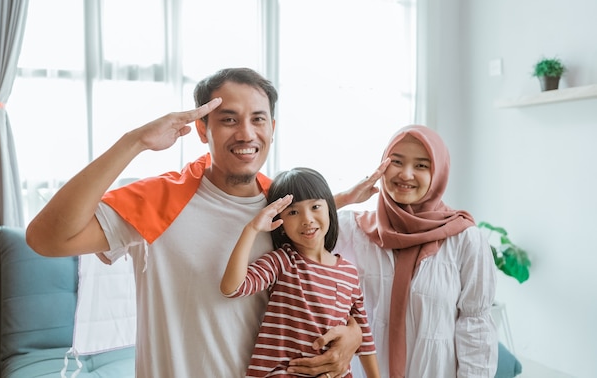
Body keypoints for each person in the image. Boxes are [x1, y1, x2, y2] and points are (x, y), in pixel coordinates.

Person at [26, 68, 361, 378]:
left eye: (257, 119)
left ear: (272, 128)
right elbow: (47, 238)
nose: (246, 133)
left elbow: (323, 286)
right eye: (229, 119)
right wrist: (135, 142)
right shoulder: (161, 198)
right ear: (203, 129)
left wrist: (353, 334)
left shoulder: (286, 211)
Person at [334, 125, 498, 378]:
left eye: (421, 166)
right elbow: (283, 229)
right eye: (396, 162)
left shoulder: (465, 240)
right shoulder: (350, 230)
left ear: (439, 173)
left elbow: (475, 327)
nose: (406, 174)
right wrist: (345, 197)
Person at [220, 167, 381, 378]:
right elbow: (231, 288)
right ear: (281, 224)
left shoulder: (349, 273)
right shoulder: (283, 261)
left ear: (330, 210)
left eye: (315, 207)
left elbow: (365, 339)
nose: (307, 219)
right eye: (293, 212)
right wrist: (252, 229)